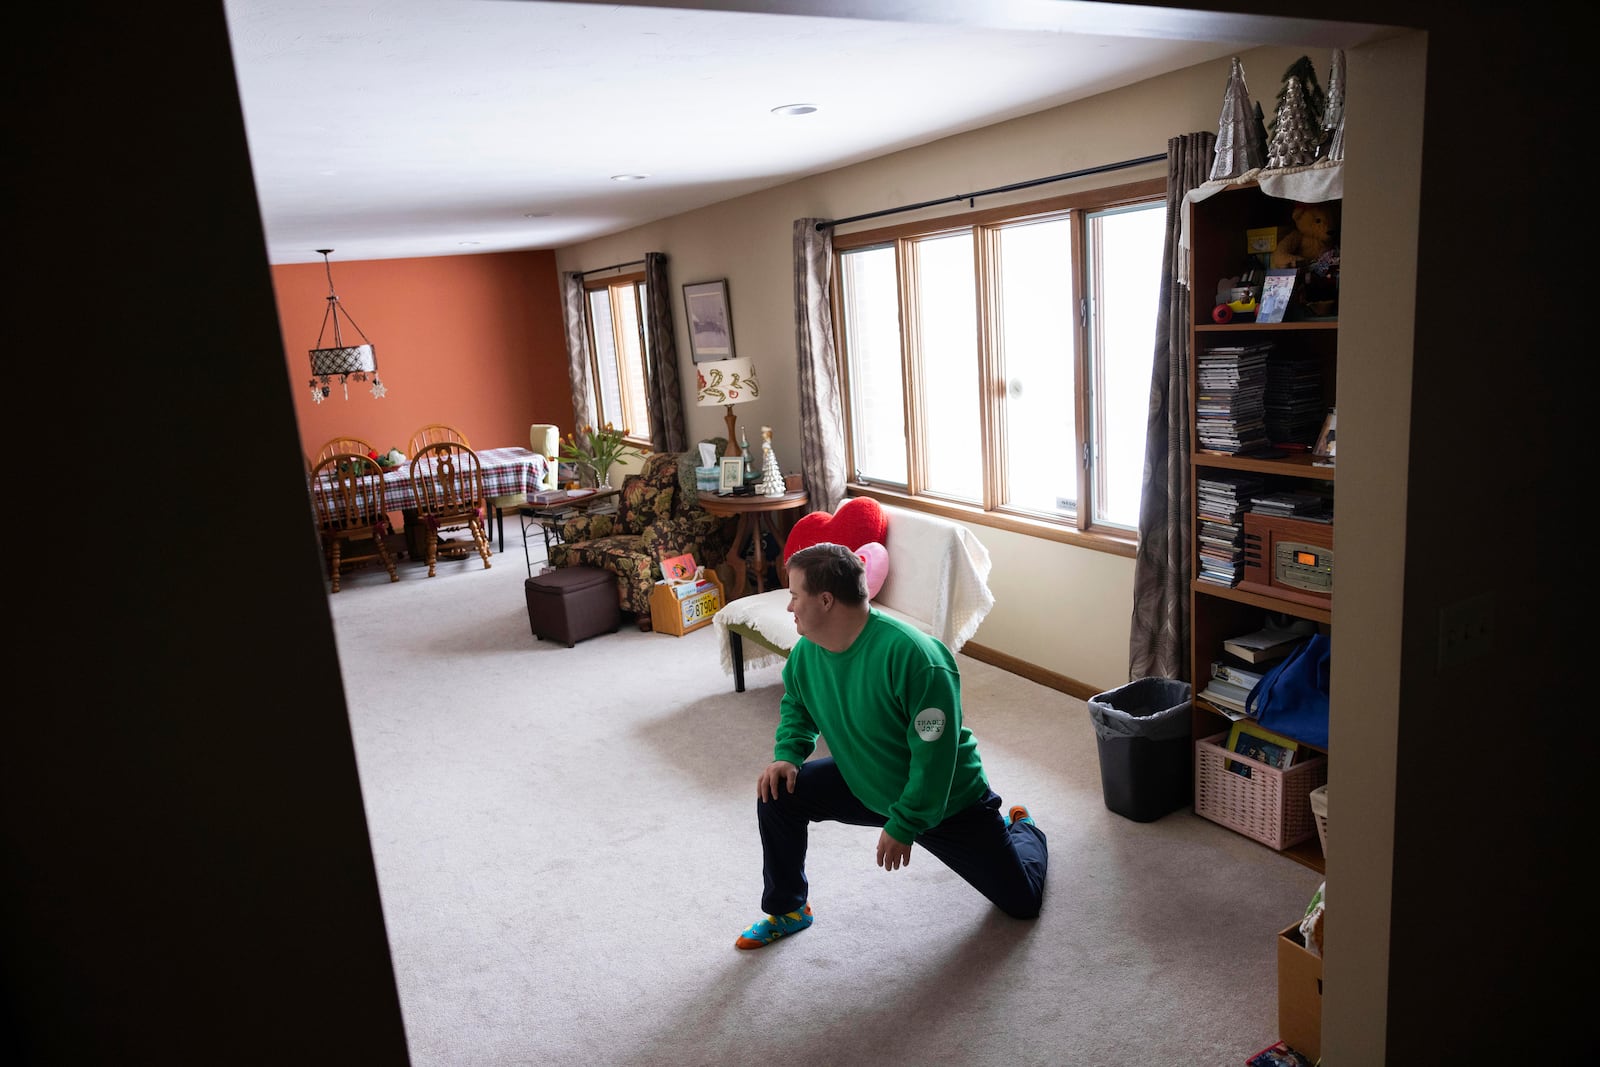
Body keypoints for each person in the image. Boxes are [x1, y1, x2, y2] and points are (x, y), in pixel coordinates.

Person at [735, 541, 1048, 950]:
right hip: (865, 778)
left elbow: (935, 758)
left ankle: (1022, 828)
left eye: (795, 595)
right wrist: (787, 755)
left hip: (945, 801)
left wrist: (904, 824)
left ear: (826, 600)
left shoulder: (916, 657)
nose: (789, 606)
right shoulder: (809, 651)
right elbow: (797, 701)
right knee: (777, 794)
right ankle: (789, 909)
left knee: (1021, 902)